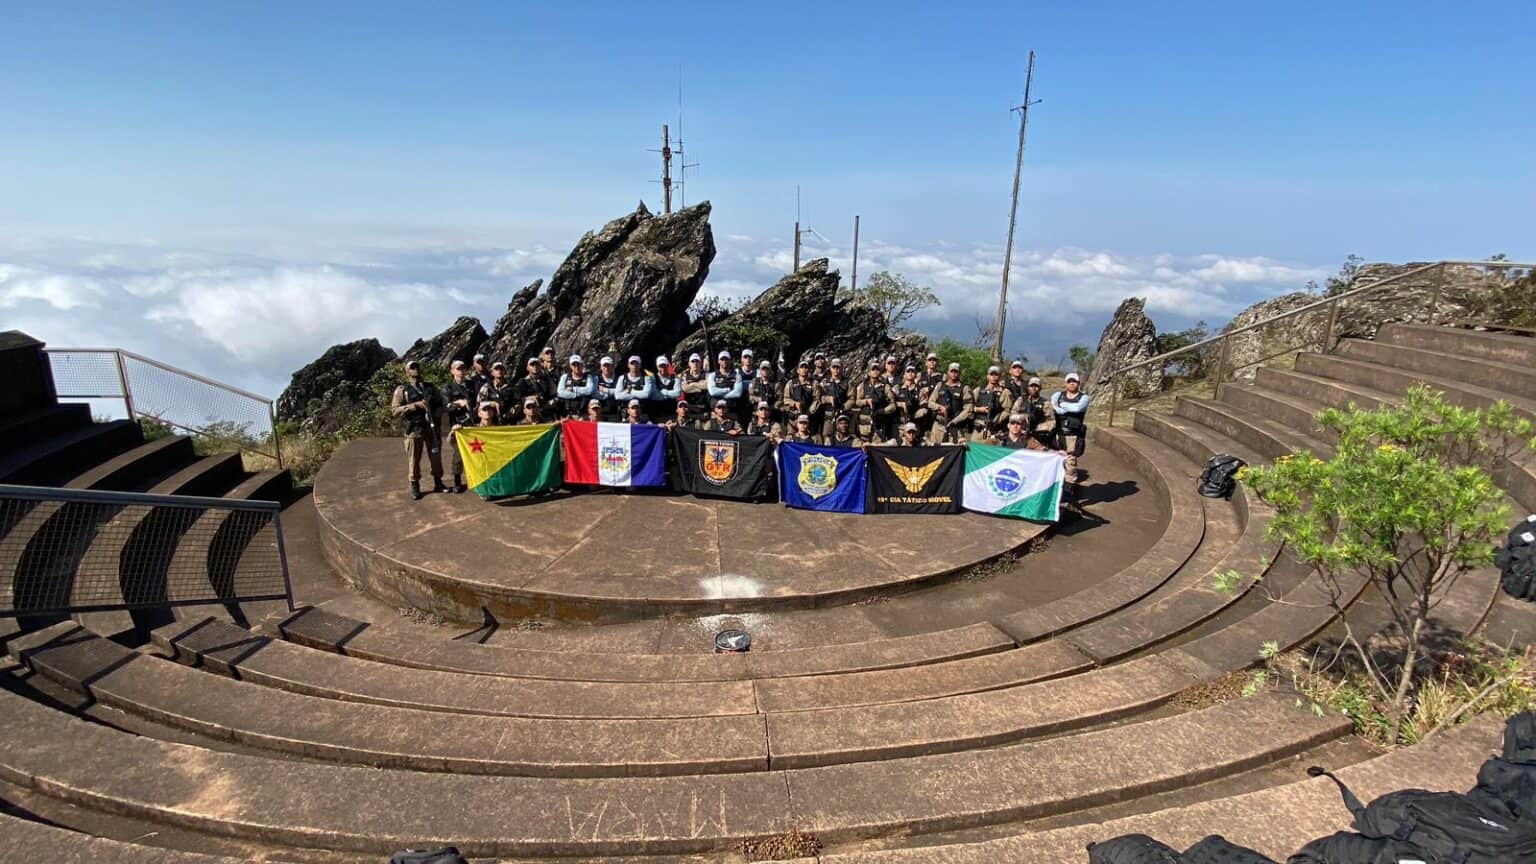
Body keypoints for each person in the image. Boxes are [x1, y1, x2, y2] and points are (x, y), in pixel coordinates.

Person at [389, 359, 445, 500]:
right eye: (412, 367)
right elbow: (395, 411)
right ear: (407, 371)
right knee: (414, 459)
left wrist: (437, 413)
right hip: (414, 428)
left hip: (431, 427)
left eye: (417, 366)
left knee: (436, 456)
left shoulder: (430, 387)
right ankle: (415, 485)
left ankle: (438, 482)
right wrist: (416, 405)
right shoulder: (403, 390)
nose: (416, 369)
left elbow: (440, 404)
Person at [440, 359, 476, 493]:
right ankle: (457, 482)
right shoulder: (447, 387)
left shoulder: (472, 385)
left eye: (463, 368)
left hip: (472, 425)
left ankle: (475, 479)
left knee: (477, 452)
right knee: (458, 455)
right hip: (457, 426)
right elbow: (445, 406)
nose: (461, 371)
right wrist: (458, 403)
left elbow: (478, 400)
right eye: (458, 368)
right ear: (452, 371)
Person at [1051, 372, 1093, 483]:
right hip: (1058, 435)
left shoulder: (1084, 398)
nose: (1072, 383)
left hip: (1073, 437)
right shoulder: (1057, 395)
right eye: (1069, 381)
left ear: (1078, 383)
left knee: (1070, 464)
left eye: (1074, 381)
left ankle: (1070, 489)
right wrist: (1060, 407)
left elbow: (1078, 408)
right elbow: (1053, 407)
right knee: (1056, 462)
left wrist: (1062, 406)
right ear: (1065, 383)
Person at [926, 362, 974, 444]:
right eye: (952, 371)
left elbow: (969, 408)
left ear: (959, 373)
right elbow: (930, 402)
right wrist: (939, 407)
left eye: (956, 372)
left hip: (955, 427)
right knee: (935, 451)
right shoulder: (940, 385)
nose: (954, 374)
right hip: (939, 426)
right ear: (948, 372)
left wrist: (955, 421)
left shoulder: (964, 388)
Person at [852, 359, 892, 442]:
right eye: (873, 369)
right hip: (865, 421)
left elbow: (892, 405)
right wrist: (866, 401)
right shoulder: (862, 385)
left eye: (877, 369)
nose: (875, 371)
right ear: (869, 372)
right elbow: (857, 402)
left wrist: (882, 411)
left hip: (879, 421)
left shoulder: (885, 387)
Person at [973, 365, 1014, 442]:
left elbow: (1007, 410)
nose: (994, 377)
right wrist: (978, 409)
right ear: (987, 376)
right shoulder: (978, 390)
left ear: (1000, 377)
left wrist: (996, 420)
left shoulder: (1005, 392)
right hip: (978, 430)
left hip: (995, 430)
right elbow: (968, 407)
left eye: (996, 375)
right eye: (992, 374)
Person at [818, 358, 852, 440]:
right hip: (828, 414)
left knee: (843, 436)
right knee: (827, 436)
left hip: (842, 414)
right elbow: (818, 398)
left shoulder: (848, 382)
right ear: (830, 368)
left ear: (842, 368)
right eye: (834, 367)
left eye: (838, 367)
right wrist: (828, 399)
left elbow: (852, 398)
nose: (836, 370)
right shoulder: (824, 382)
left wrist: (843, 407)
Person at [708, 350, 745, 417]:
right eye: (722, 359)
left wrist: (720, 396)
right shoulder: (712, 375)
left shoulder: (737, 375)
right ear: (718, 361)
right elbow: (712, 392)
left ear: (730, 361)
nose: (724, 361)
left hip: (731, 410)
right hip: (716, 411)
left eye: (726, 359)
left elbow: (737, 393)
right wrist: (728, 390)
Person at [648, 354, 682, 422]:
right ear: (657, 367)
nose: (663, 368)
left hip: (672, 414)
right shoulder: (652, 378)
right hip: (657, 415)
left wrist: (663, 392)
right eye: (660, 366)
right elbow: (654, 396)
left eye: (664, 366)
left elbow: (677, 393)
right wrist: (670, 394)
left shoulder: (675, 378)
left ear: (667, 366)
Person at [1019, 376, 1051, 447]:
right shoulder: (1021, 400)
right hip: (1021, 435)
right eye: (1031, 386)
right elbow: (1012, 415)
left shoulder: (1046, 403)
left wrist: (1038, 428)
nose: (1033, 388)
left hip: (1038, 437)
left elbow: (1052, 421)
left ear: (1040, 388)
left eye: (1036, 386)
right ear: (1028, 387)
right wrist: (1022, 417)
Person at [747, 360, 779, 428]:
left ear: (770, 370)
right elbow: (750, 396)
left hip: (771, 414)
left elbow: (780, 400)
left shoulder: (776, 384)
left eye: (767, 369)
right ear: (760, 370)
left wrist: (770, 407)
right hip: (756, 413)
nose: (765, 371)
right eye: (763, 369)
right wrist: (758, 399)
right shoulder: (754, 382)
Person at [680, 352, 711, 424]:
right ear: (689, 364)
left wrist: (692, 384)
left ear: (701, 363)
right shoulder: (685, 375)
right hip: (690, 405)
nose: (695, 363)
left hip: (704, 405)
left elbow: (707, 385)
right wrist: (699, 386)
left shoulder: (706, 374)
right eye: (693, 361)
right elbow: (684, 388)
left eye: (697, 361)